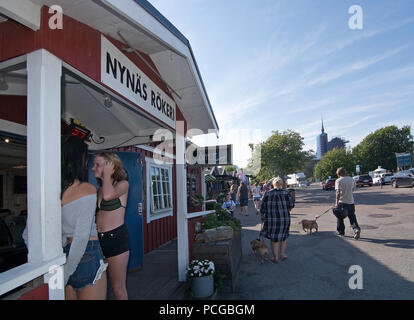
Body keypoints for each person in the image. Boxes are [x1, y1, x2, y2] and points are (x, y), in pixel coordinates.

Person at [61, 136, 107, 300]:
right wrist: (68, 272)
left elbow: (27, 234)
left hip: (64, 254)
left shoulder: (54, 193)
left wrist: (64, 271)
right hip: (87, 253)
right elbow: (81, 236)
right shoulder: (86, 189)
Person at [92, 152, 130, 300]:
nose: (93, 168)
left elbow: (109, 196)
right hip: (97, 240)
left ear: (110, 167)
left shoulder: (122, 184)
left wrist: (107, 174)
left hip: (115, 239)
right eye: (93, 164)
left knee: (118, 289)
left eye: (98, 164)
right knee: (97, 286)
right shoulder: (99, 189)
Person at [260, 177, 294, 263]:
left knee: (274, 238)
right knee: (284, 236)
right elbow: (291, 205)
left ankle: (275, 257)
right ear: (281, 184)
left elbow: (263, 206)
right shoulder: (286, 193)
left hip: (272, 219)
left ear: (273, 184)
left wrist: (263, 215)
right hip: (285, 218)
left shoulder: (267, 193)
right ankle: (282, 254)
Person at [334, 167, 361, 240]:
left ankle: (341, 232)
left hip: (342, 202)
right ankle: (356, 229)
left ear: (338, 174)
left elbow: (338, 192)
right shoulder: (351, 179)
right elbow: (353, 189)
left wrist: (336, 202)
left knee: (340, 217)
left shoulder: (338, 180)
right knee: (352, 217)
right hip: (351, 202)